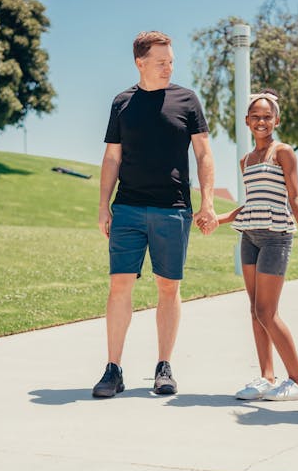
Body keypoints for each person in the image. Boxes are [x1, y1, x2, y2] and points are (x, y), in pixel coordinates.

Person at [92, 31, 218, 398]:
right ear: (140, 62)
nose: (168, 67)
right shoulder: (122, 103)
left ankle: (164, 366)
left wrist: (208, 202)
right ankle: (113, 369)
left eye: (171, 62)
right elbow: (112, 157)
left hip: (174, 208)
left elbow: (204, 155)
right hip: (128, 206)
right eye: (161, 61)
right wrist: (103, 205)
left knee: (169, 287)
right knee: (119, 285)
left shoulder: (187, 100)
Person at [217, 89, 298, 402]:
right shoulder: (246, 161)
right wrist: (218, 219)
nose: (261, 121)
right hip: (250, 236)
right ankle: (266, 378)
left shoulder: (283, 152)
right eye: (255, 116)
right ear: (247, 121)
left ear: (277, 119)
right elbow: (251, 203)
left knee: (266, 311)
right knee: (255, 311)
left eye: (267, 116)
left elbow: (294, 195)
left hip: (276, 237)